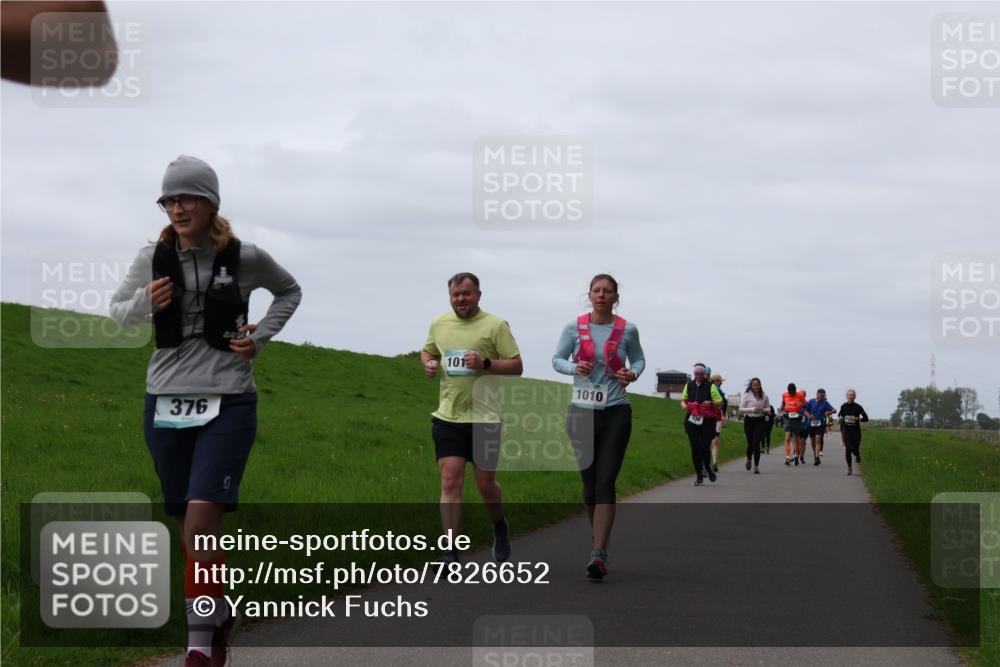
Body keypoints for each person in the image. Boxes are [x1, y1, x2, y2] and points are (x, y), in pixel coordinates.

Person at [110, 156, 302, 667]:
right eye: (169, 200)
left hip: (229, 398)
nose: (176, 208)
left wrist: (258, 337)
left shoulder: (245, 256)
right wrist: (146, 303)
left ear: (210, 203)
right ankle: (217, 618)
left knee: (200, 521)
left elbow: (290, 291)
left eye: (186, 198)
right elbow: (118, 313)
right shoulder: (152, 257)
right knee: (188, 524)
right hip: (165, 399)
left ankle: (196, 646)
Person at [422, 272, 523, 564]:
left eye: (466, 294)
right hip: (448, 416)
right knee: (449, 480)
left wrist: (485, 363)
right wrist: (428, 362)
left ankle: (499, 526)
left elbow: (517, 366)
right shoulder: (439, 323)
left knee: (485, 486)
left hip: (485, 419)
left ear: (478, 295)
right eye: (455, 294)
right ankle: (450, 552)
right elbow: (428, 349)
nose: (461, 299)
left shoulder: (495, 325)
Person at [552, 274, 645, 580]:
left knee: (606, 481)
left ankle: (598, 552)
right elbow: (557, 359)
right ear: (589, 295)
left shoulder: (627, 329)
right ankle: (599, 541)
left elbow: (639, 361)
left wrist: (632, 374)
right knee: (590, 487)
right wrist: (572, 367)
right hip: (581, 411)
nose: (602, 295)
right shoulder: (573, 327)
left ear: (615, 297)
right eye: (597, 290)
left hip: (616, 410)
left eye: (607, 291)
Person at [681, 364, 724, 486]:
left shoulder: (711, 387)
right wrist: (684, 405)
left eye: (701, 374)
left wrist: (710, 403)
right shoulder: (689, 385)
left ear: (705, 375)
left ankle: (708, 468)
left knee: (704, 447)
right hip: (692, 421)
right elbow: (683, 399)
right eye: (697, 374)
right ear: (694, 375)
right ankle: (699, 476)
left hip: (707, 422)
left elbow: (720, 402)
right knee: (695, 449)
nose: (699, 376)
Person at [739, 378, 771, 474]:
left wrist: (763, 409)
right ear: (751, 386)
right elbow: (741, 409)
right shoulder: (746, 395)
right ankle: (749, 459)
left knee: (756, 443)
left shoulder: (765, 396)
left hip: (760, 421)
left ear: (760, 385)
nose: (756, 387)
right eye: (754, 385)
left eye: (757, 385)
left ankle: (756, 466)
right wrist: (753, 409)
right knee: (750, 444)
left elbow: (769, 409)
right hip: (749, 420)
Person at [839, 389, 870, 475]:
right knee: (848, 449)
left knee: (855, 448)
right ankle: (849, 468)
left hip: (856, 431)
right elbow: (840, 415)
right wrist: (841, 418)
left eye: (852, 395)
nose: (850, 396)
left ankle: (857, 455)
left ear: (854, 396)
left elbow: (866, 418)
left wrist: (857, 418)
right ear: (847, 396)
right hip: (847, 431)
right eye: (849, 395)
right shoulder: (843, 406)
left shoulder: (858, 407)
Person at [780, 383, 808, 466]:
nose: (792, 393)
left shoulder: (799, 395)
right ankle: (787, 457)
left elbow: (807, 404)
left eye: (793, 392)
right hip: (787, 416)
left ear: (795, 390)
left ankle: (796, 455)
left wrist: (802, 404)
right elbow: (783, 403)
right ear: (788, 391)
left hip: (796, 417)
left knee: (796, 437)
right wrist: (781, 407)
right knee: (788, 436)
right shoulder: (784, 395)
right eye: (790, 392)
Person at [806, 389, 837, 466]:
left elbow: (834, 410)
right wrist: (809, 416)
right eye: (821, 395)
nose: (822, 397)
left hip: (821, 424)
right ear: (817, 394)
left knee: (818, 439)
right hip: (811, 424)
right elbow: (805, 410)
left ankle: (816, 458)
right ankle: (815, 454)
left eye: (823, 395)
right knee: (813, 442)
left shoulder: (825, 403)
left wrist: (829, 412)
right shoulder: (811, 401)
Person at [709, 372, 727, 473]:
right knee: (712, 441)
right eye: (720, 381)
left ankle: (714, 463)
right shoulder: (711, 390)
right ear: (715, 381)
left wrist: (723, 414)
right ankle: (710, 462)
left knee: (715, 440)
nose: (721, 383)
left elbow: (724, 404)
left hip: (717, 417)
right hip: (711, 417)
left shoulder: (719, 391)